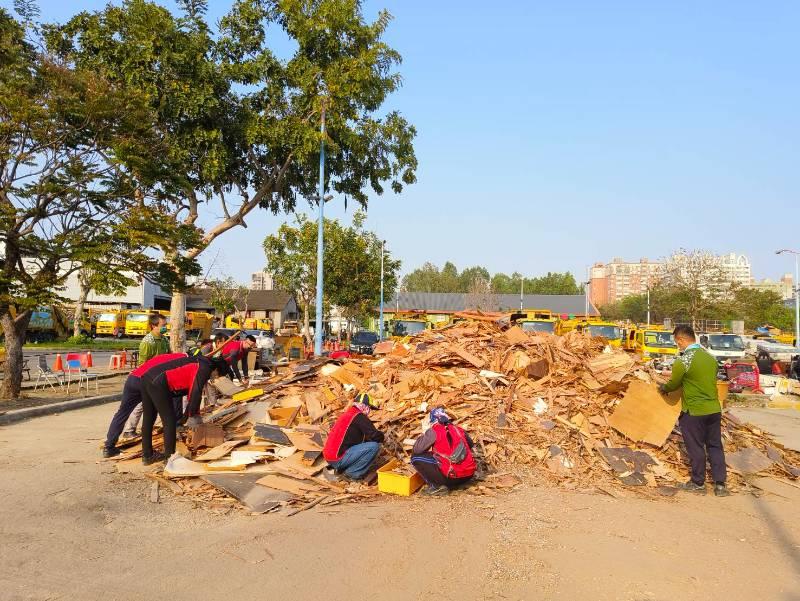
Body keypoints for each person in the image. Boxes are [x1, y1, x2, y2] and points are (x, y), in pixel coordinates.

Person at [660, 325, 730, 497]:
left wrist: (663, 387)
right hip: (714, 409)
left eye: (678, 343)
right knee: (715, 445)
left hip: (694, 410)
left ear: (682, 339)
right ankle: (720, 485)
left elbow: (674, 383)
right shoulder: (710, 358)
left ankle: (698, 482)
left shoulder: (684, 360)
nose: (678, 346)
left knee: (696, 446)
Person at [138, 354, 229, 465]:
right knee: (169, 421)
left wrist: (186, 416)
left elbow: (193, 392)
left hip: (147, 377)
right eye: (217, 375)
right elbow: (195, 392)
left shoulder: (201, 362)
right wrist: (192, 416)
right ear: (216, 369)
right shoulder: (204, 368)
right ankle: (170, 458)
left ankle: (147, 456)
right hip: (159, 382)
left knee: (148, 419)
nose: (214, 378)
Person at [101, 352, 187, 458]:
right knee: (151, 415)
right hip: (148, 381)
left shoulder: (166, 356)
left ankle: (109, 447)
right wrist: (178, 420)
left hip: (132, 378)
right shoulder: (184, 361)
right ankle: (154, 454)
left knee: (122, 412)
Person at [122, 313, 171, 438]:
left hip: (160, 377)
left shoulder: (165, 340)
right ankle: (129, 430)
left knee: (159, 403)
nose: (165, 327)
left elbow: (169, 357)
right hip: (148, 377)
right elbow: (142, 364)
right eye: (163, 325)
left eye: (165, 325)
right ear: (153, 326)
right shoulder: (147, 342)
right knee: (142, 404)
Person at [411, 408, 477, 496]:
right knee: (438, 455)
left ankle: (436, 487)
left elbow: (417, 449)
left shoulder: (434, 430)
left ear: (432, 420)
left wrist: (424, 433)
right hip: (468, 475)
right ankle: (458, 483)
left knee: (415, 457)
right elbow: (470, 444)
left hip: (452, 475)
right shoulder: (458, 429)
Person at [322, 392, 384, 480]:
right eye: (369, 408)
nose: (369, 411)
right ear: (364, 405)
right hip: (337, 458)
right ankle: (352, 473)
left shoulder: (349, 414)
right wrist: (382, 437)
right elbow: (375, 435)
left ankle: (342, 468)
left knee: (368, 445)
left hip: (330, 457)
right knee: (374, 447)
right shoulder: (359, 416)